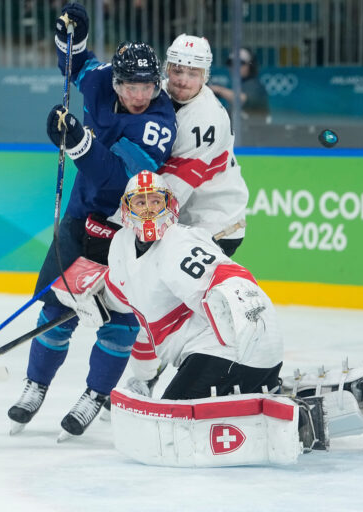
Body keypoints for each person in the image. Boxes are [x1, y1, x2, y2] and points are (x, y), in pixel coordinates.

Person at [54, 170, 363, 462]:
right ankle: (345, 392)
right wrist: (101, 304)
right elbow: (138, 319)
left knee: (177, 423)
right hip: (220, 349)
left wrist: (245, 312)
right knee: (173, 412)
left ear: (170, 205)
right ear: (127, 208)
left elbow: (228, 275)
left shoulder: (180, 241)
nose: (148, 210)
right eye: (140, 202)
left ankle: (302, 417)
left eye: (155, 201)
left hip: (236, 341)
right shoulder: (119, 249)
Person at [6, 2, 177, 437]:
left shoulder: (158, 123)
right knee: (55, 307)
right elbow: (75, 65)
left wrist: (77, 141)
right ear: (116, 81)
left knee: (120, 321)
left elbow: (121, 180)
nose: (140, 96)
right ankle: (35, 385)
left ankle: (95, 394)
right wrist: (73, 34)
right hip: (81, 216)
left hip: (129, 228)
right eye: (131, 86)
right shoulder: (102, 83)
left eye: (148, 87)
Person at [97, 34, 250, 412]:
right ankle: (147, 378)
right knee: (150, 301)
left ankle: (212, 373)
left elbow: (168, 196)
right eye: (177, 69)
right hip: (182, 221)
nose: (182, 79)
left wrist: (119, 224)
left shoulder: (207, 120)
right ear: (167, 68)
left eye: (193, 72)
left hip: (214, 224)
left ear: (206, 75)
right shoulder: (156, 89)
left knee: (174, 309)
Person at [209, 47, 269, 123]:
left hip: (255, 131)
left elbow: (241, 99)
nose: (234, 67)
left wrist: (218, 89)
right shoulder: (237, 85)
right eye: (231, 63)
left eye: (240, 63)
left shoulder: (255, 85)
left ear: (250, 66)